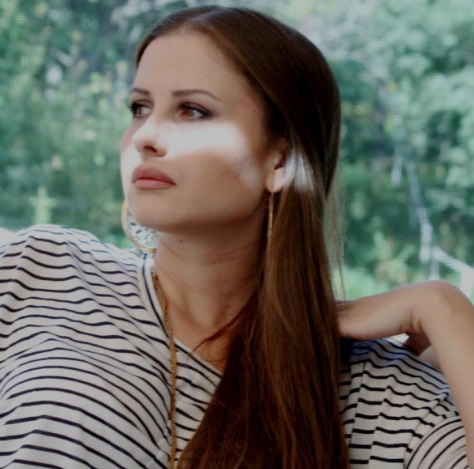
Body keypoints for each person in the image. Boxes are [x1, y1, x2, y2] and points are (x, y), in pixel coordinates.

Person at [0, 5, 473, 468]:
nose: (145, 135)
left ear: (281, 160)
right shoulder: (40, 270)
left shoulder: (383, 393)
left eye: (192, 110)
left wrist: (444, 309)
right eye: (139, 107)